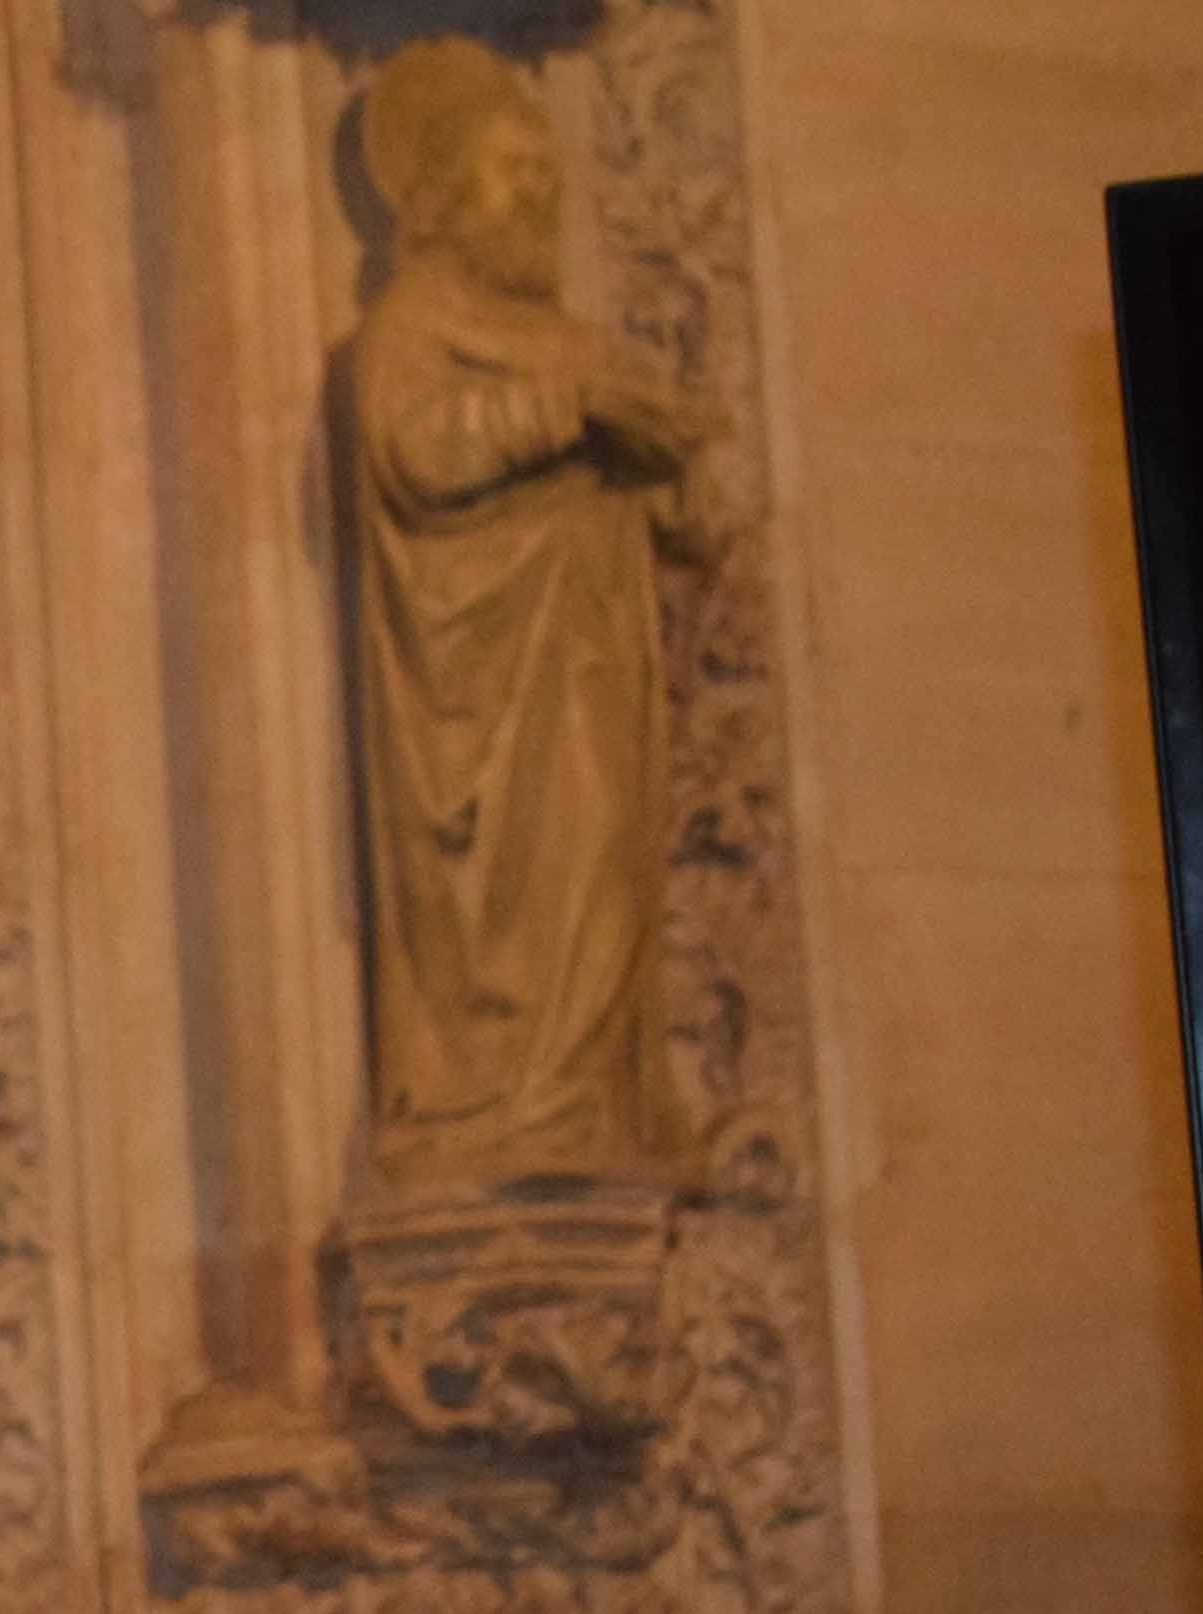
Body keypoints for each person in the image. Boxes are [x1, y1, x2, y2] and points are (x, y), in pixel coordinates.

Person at [345, 36, 705, 1202]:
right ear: (445, 196)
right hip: (484, 699)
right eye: (514, 171)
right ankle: (510, 1110)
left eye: (546, 170)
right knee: (524, 889)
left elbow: (677, 518)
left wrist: (668, 465)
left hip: (591, 665)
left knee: (604, 865)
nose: (539, 194)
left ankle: (581, 1107)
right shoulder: (410, 324)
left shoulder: (569, 340)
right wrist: (564, 409)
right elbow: (415, 452)